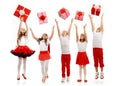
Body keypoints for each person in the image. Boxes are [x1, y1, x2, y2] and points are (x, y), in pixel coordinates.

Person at [55, 18, 73, 83]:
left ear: (66, 33)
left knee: (68, 66)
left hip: (68, 54)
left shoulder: (68, 37)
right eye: (63, 31)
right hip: (63, 55)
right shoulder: (61, 37)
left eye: (65, 31)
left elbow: (69, 30)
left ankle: (68, 76)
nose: (63, 32)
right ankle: (63, 77)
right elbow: (58, 30)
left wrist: (71, 23)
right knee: (63, 66)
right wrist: (57, 24)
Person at [89, 14, 104, 79]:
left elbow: (102, 26)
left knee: (101, 61)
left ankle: (102, 73)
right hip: (94, 49)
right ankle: (96, 73)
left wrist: (101, 18)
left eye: (99, 28)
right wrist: (91, 19)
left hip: (100, 49)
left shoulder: (101, 33)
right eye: (98, 28)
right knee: (95, 61)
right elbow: (92, 25)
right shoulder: (94, 32)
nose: (98, 29)